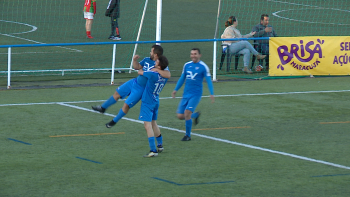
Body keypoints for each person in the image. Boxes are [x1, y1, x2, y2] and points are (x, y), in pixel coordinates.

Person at [91, 45, 171, 127]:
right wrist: (134, 60)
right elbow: (137, 67)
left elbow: (168, 75)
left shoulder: (160, 64)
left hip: (141, 89)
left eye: (151, 51)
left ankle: (113, 121)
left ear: (156, 54)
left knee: (126, 105)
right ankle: (103, 108)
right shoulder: (147, 59)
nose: (150, 52)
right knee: (117, 93)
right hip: (134, 82)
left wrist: (156, 70)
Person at [172, 48, 215, 141]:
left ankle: (188, 136)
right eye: (192, 54)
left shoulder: (203, 67)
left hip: (196, 94)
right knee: (180, 116)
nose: (193, 56)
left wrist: (212, 93)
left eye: (195, 54)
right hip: (186, 94)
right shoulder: (187, 65)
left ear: (200, 55)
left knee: (187, 112)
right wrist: (175, 89)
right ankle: (195, 115)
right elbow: (182, 78)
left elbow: (208, 80)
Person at [137, 55, 169, 157]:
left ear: (159, 66)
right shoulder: (164, 75)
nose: (154, 62)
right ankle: (160, 145)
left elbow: (140, 72)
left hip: (148, 101)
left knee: (147, 125)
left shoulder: (152, 74)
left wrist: (144, 68)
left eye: (156, 62)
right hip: (156, 100)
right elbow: (167, 73)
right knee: (154, 123)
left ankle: (153, 150)